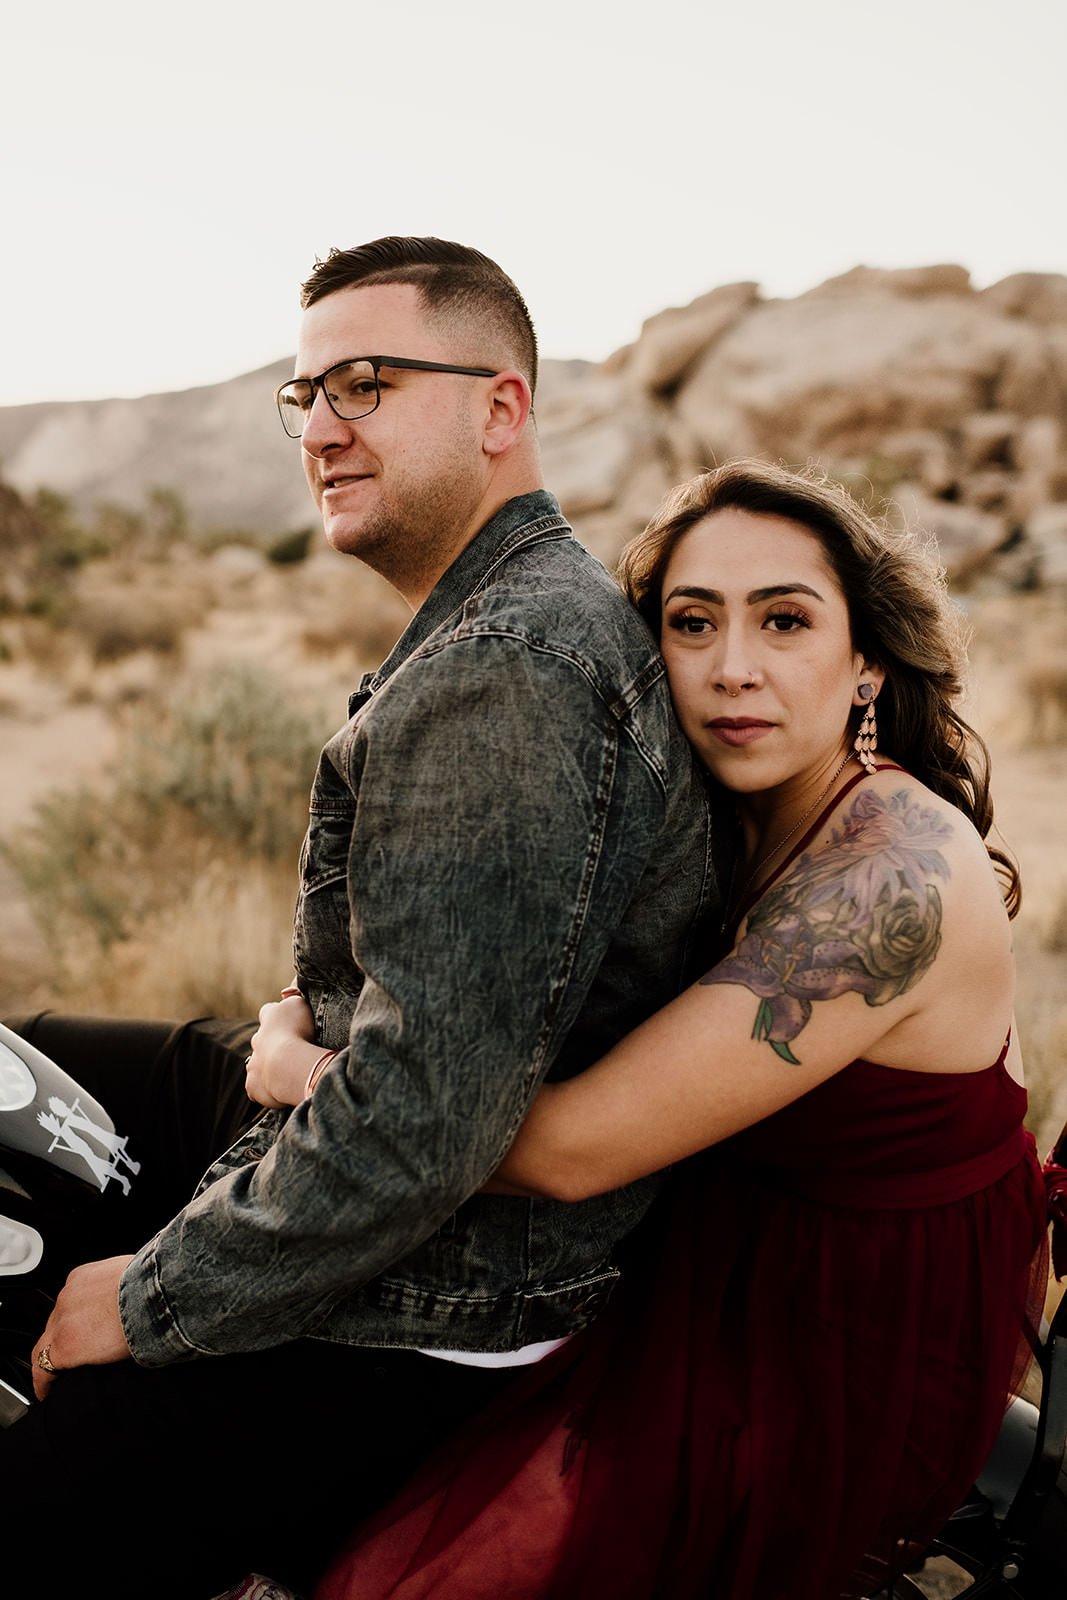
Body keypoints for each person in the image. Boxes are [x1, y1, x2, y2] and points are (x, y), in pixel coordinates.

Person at [0, 238, 721, 1599]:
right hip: (369, 1154)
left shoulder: (501, 670)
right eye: (308, 394)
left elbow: (419, 1122)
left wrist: (148, 1299)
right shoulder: (507, 615)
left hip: (430, 1301)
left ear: (502, 408)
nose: (322, 428)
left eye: (369, 385)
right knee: (15, 1056)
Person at [307, 461, 1050, 1600]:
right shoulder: (722, 810)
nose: (730, 669)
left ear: (865, 664)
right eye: (689, 622)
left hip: (842, 1338)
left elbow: (566, 1151)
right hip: (711, 1237)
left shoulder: (888, 871)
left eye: (784, 620)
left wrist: (308, 1073)